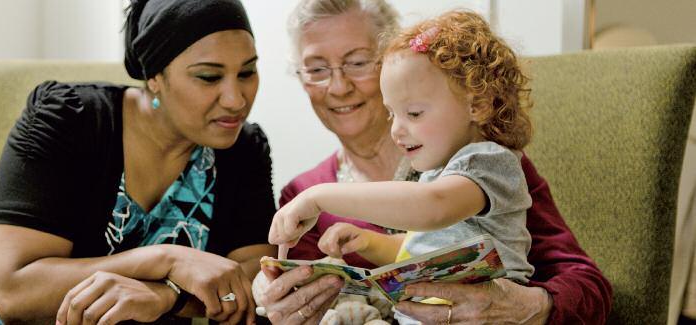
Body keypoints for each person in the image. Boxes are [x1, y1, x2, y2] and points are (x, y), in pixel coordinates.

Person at [0, 0, 275, 324]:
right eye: (209, 77)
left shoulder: (241, 151)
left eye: (247, 72)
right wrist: (168, 259)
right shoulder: (69, 119)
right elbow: (15, 293)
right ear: (154, 76)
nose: (236, 99)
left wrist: (167, 295)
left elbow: (256, 281)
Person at [257, 0, 612, 324]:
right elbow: (418, 252)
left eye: (357, 62)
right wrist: (284, 302)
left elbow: (588, 285)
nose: (338, 86)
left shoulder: (483, 164)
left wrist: (532, 307)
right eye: (317, 68)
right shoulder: (298, 192)